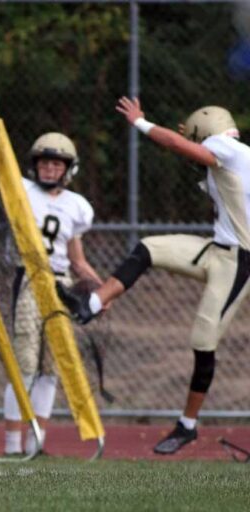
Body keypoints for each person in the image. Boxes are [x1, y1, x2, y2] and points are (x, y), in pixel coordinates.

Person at [59, 97, 250, 454]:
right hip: (216, 250)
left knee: (203, 339)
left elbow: (180, 145)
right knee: (149, 248)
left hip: (240, 260)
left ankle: (187, 425)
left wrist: (140, 122)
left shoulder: (228, 149)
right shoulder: (233, 158)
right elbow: (203, 165)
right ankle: (93, 303)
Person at [0, 105, 103, 456]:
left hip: (61, 284)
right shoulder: (20, 190)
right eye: (45, 162)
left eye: (57, 163)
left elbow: (78, 260)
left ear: (68, 169)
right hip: (30, 279)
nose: (49, 168)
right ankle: (12, 446)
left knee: (52, 367)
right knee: (26, 364)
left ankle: (38, 445)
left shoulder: (77, 205)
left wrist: (102, 290)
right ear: (35, 164)